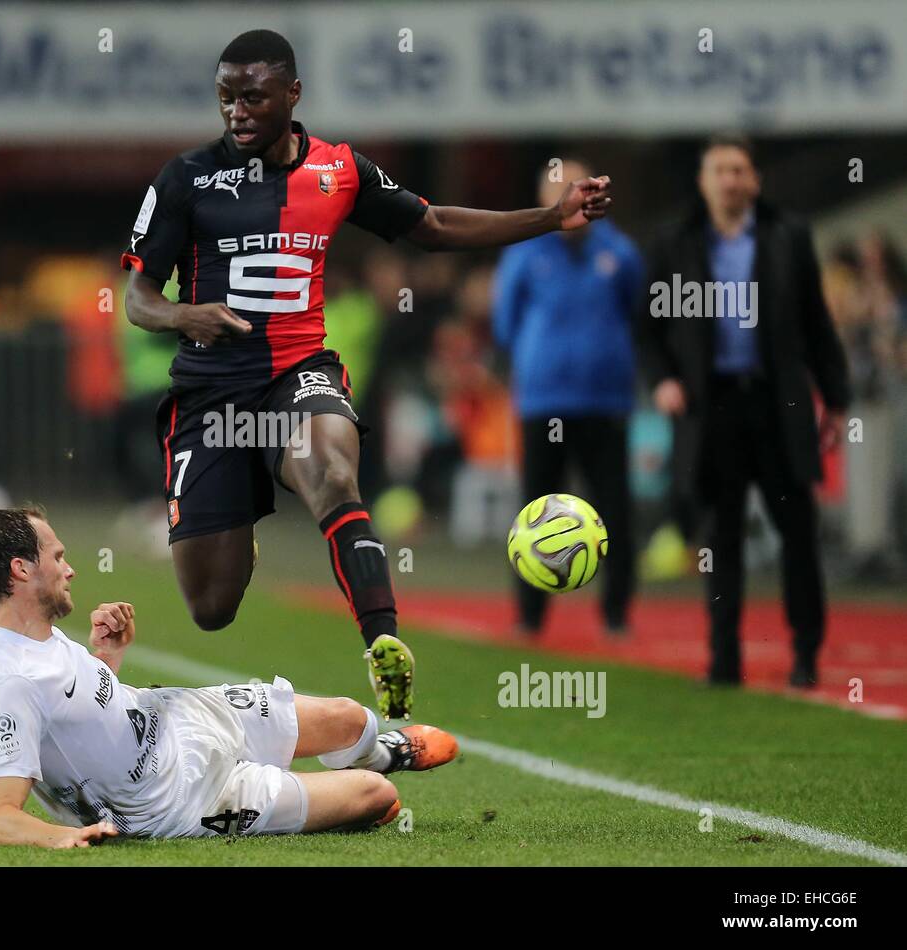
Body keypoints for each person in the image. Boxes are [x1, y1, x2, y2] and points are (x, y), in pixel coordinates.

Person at [121, 29, 613, 718]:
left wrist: (550, 217)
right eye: (226, 97)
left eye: (253, 97)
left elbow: (433, 224)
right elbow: (137, 297)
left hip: (299, 372)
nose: (236, 111)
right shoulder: (185, 178)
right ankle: (240, 521)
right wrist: (184, 316)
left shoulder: (340, 171)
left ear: (293, 95)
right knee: (210, 607)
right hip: (212, 394)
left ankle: (383, 641)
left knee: (332, 470)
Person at [0, 507, 458, 847]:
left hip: (180, 716)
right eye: (58, 557)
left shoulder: (40, 636)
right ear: (21, 570)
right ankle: (363, 781)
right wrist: (62, 836)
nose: (70, 570)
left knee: (350, 720)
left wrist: (108, 657)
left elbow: (83, 724)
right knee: (376, 796)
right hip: (183, 800)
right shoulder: (9, 682)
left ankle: (383, 752)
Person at [639, 136, 851, 687]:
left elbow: (816, 324)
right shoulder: (675, 241)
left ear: (755, 179)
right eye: (721, 170)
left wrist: (838, 397)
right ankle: (724, 657)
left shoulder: (788, 236)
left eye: (740, 170)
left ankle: (806, 653)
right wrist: (662, 379)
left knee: (797, 533)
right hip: (712, 410)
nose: (732, 180)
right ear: (703, 181)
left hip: (777, 403)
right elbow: (647, 328)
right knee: (720, 539)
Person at [493, 159, 644, 637]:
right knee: (535, 511)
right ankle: (529, 617)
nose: (570, 197)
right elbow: (505, 322)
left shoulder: (619, 251)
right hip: (543, 400)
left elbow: (637, 313)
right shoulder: (524, 252)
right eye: (558, 188)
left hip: (605, 400)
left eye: (577, 188)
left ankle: (617, 615)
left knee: (615, 507)